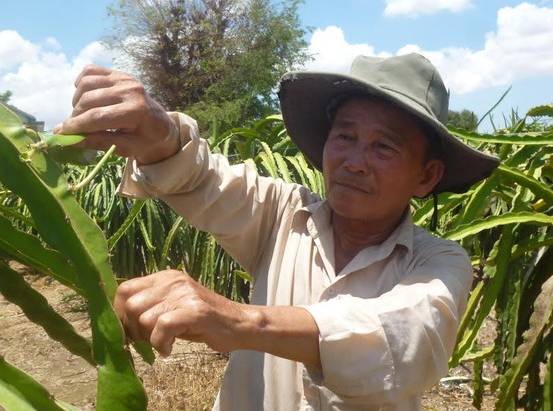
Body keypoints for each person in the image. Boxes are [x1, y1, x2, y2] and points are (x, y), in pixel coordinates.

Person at [54, 53, 499, 410]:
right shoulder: (283, 214)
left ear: (426, 176)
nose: (355, 161)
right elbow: (203, 180)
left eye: (383, 145)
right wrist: (160, 134)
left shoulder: (439, 263)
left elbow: (407, 335)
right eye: (344, 136)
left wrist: (237, 320)